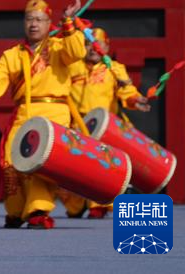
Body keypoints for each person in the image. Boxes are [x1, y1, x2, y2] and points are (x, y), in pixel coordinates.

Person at [0, 0, 84, 229]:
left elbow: (77, 51)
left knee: (41, 162)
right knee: (10, 161)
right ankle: (16, 210)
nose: (34, 24)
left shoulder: (59, 47)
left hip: (54, 113)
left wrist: (69, 21)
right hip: (24, 112)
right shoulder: (13, 54)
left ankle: (38, 210)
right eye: (30, 19)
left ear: (49, 23)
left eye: (39, 20)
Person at [62, 27, 150, 219]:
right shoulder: (72, 67)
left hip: (103, 128)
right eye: (88, 44)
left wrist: (135, 100)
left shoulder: (114, 69)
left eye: (97, 44)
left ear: (107, 47)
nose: (93, 48)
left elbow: (127, 91)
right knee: (75, 170)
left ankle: (100, 205)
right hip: (77, 126)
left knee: (102, 167)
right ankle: (76, 205)